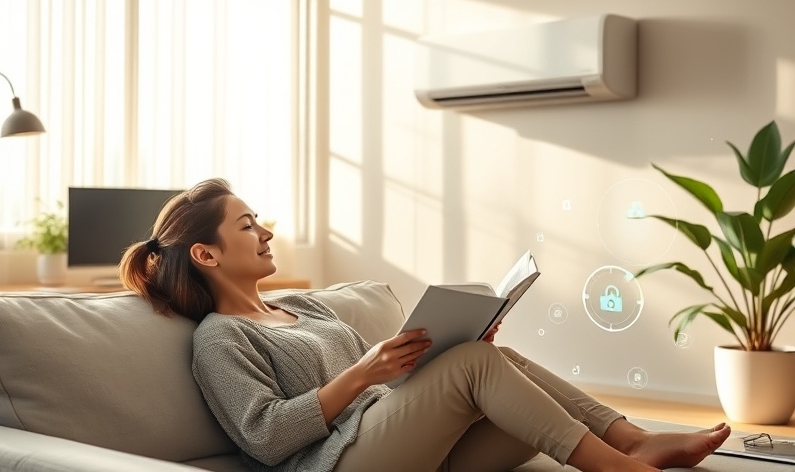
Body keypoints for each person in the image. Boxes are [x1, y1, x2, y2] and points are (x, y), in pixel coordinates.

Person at [119, 178, 731, 472]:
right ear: (206, 254)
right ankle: (620, 467)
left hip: (405, 447)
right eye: (247, 225)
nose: (267, 232)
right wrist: (363, 373)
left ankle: (629, 440)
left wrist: (454, 350)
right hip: (338, 466)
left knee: (494, 361)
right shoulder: (220, 337)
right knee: (474, 367)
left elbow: (389, 385)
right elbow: (267, 436)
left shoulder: (305, 308)